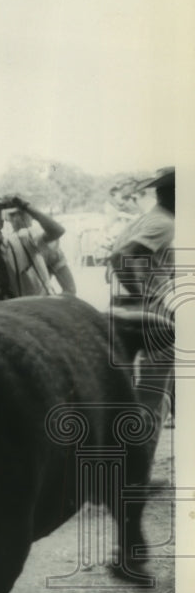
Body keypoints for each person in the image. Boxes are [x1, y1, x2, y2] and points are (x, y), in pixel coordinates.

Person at [107, 166, 175, 427]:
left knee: (146, 388)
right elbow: (119, 257)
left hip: (127, 308)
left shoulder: (147, 219)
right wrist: (143, 296)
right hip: (151, 310)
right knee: (152, 393)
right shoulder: (163, 224)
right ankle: (141, 452)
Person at [5, 207, 76, 295]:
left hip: (42, 303)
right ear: (7, 218)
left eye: (23, 213)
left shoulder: (42, 240)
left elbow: (70, 289)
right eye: (13, 215)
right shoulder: (5, 245)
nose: (20, 218)